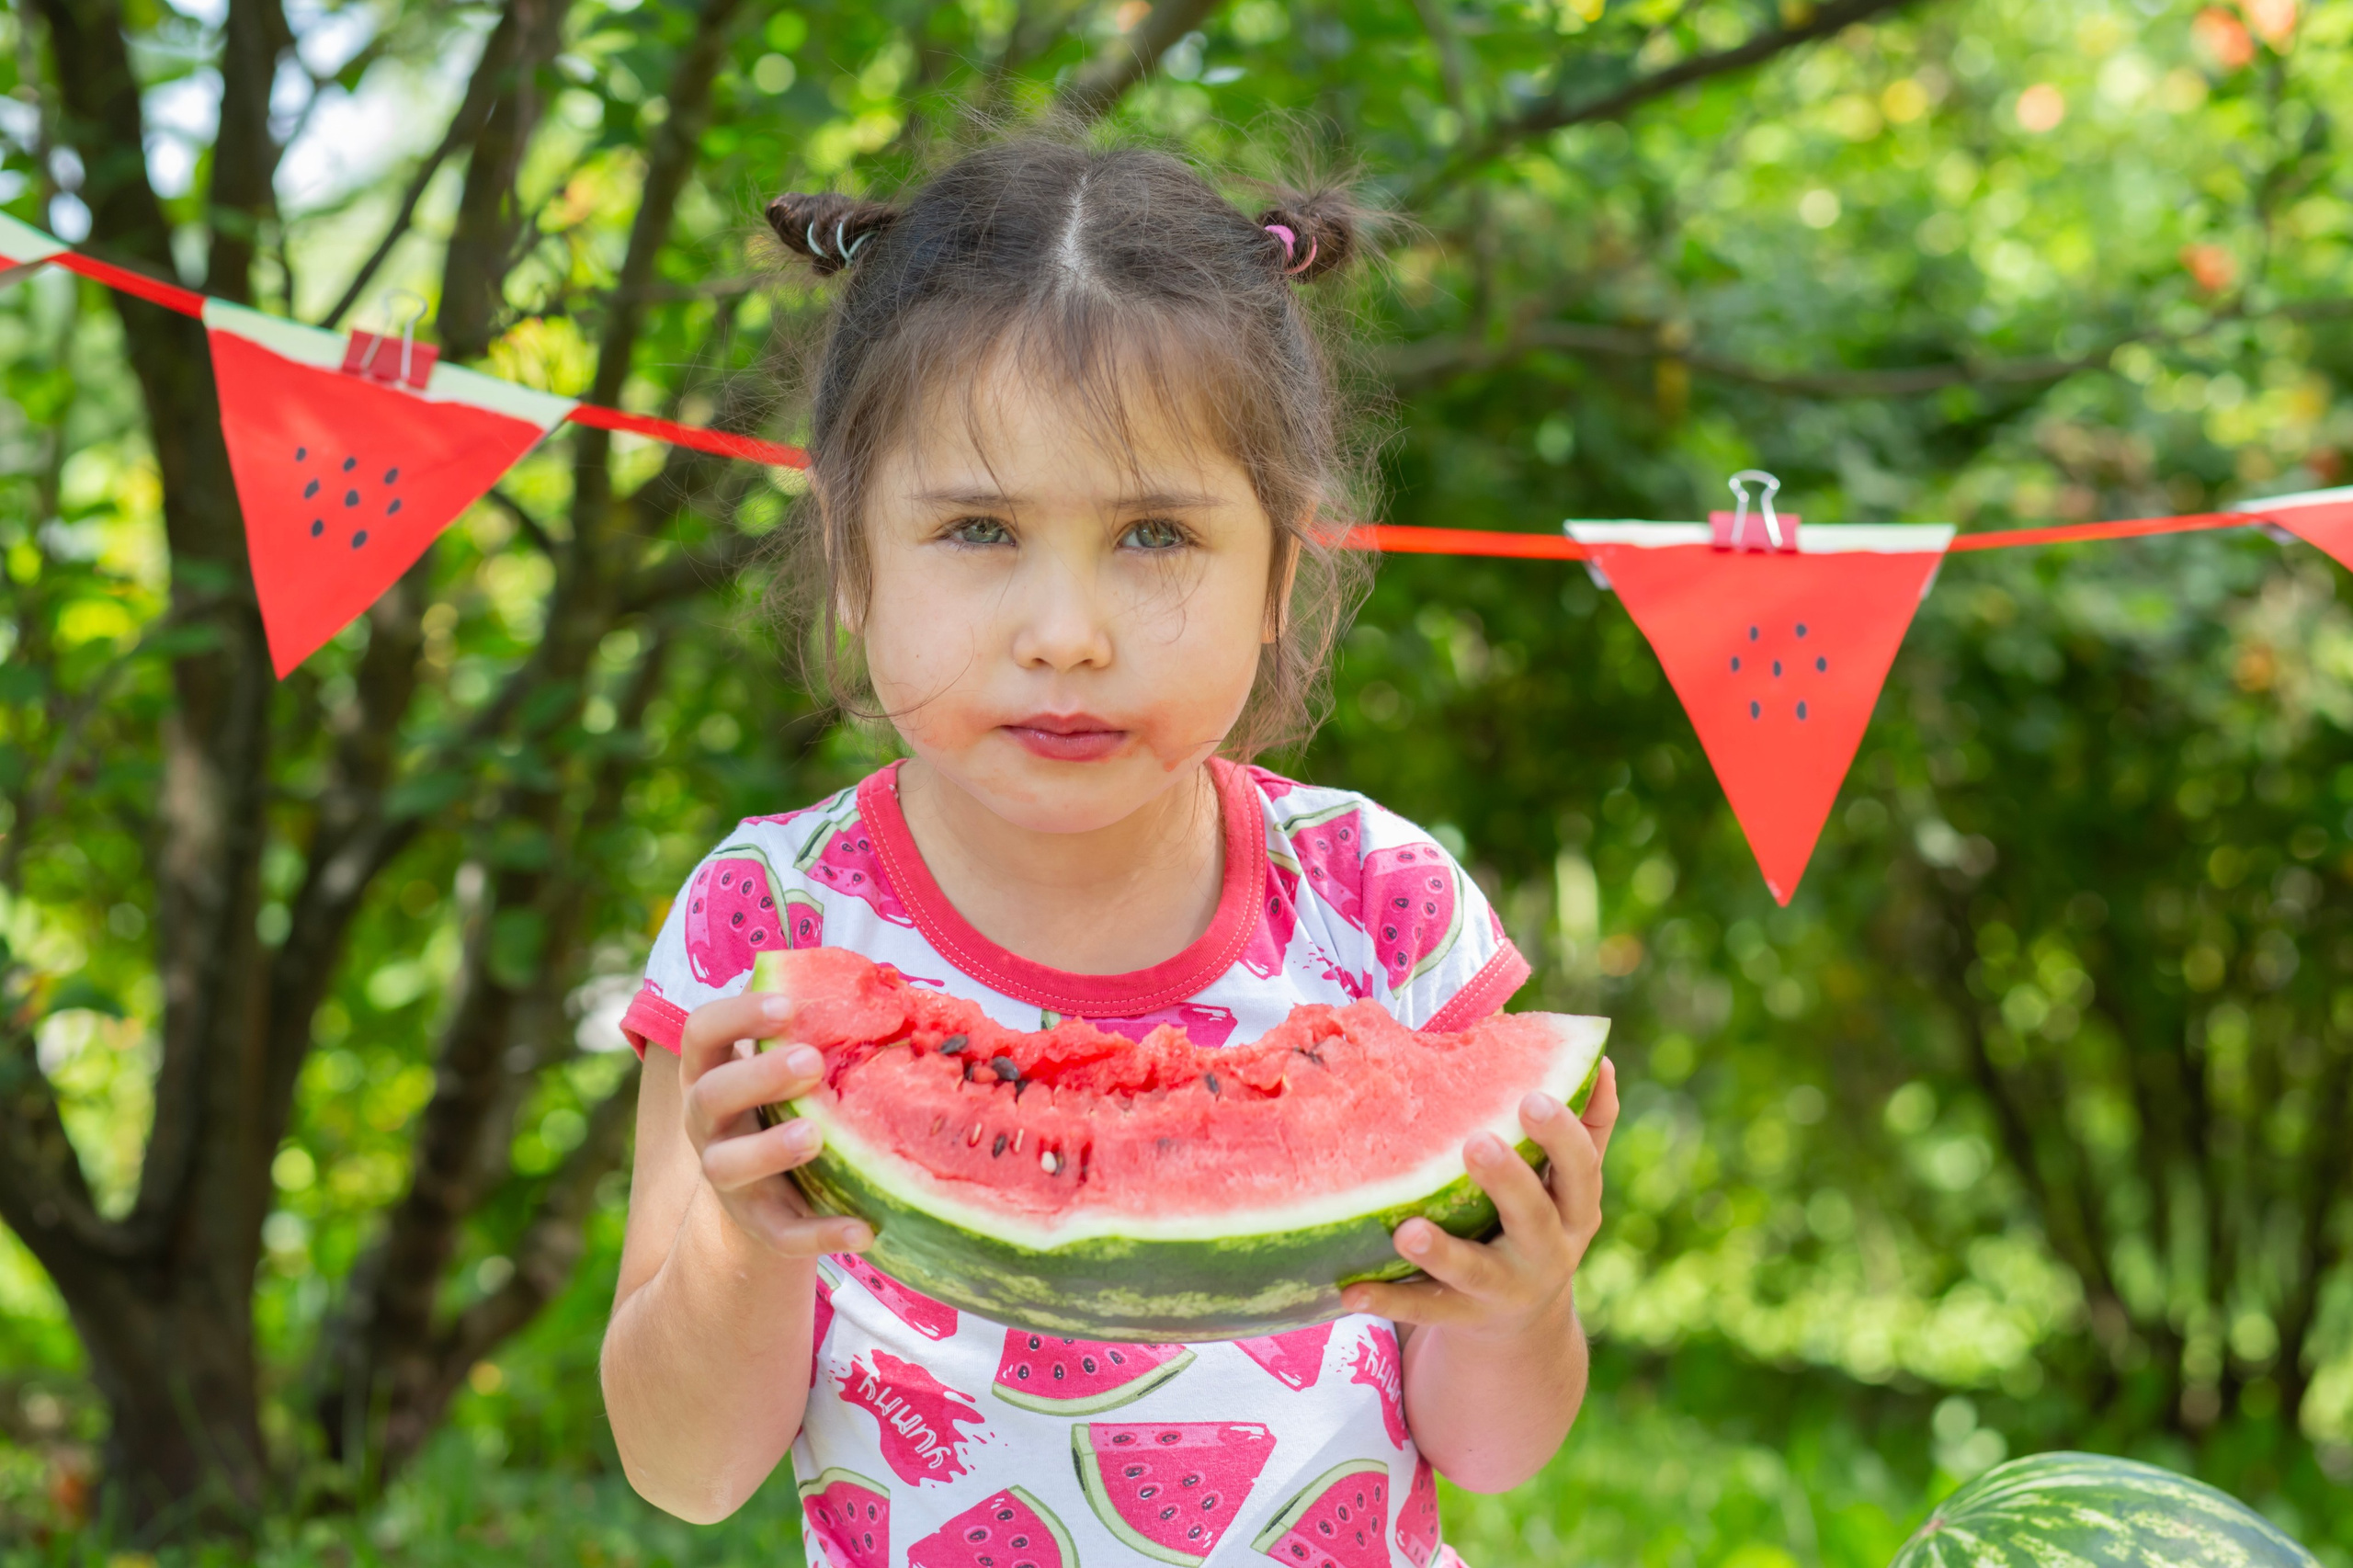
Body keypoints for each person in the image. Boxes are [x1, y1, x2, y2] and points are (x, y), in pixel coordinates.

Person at [599, 135, 1620, 1565]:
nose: (1066, 632)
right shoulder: (765, 922)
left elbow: (1494, 1451)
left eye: (1153, 534)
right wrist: (739, 1235)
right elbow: (687, 1470)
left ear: (1280, 568)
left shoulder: (1383, 903)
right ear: (851, 554)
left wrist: (1521, 1303)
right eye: (978, 527)